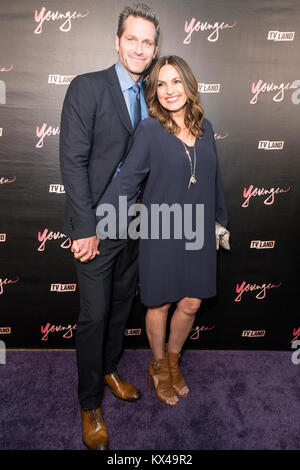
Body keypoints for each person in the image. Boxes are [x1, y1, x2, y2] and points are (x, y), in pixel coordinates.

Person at [96, 55, 229, 407]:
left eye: (176, 81)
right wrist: (96, 223)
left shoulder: (206, 127)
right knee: (161, 302)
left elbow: (213, 180)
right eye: (161, 84)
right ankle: (158, 366)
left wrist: (219, 221)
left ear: (188, 84)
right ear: (154, 91)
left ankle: (173, 360)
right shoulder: (151, 129)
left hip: (198, 231)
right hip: (161, 229)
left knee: (191, 302)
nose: (169, 90)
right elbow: (126, 182)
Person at [59, 4, 159, 450]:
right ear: (117, 41)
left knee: (121, 308)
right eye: (132, 39)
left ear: (155, 49)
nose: (139, 48)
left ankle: (110, 367)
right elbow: (73, 162)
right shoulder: (87, 88)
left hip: (136, 225)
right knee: (94, 316)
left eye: (148, 42)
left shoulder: (155, 96)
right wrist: (85, 228)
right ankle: (89, 402)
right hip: (96, 227)